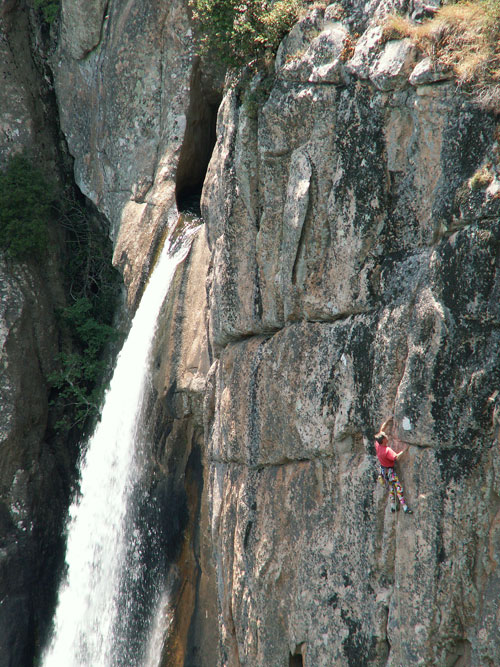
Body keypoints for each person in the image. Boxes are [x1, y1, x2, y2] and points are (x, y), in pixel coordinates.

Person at [375, 418, 412, 514]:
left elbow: (381, 431)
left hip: (383, 471)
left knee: (391, 488)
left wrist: (387, 422)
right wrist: (406, 450)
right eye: (385, 437)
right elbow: (396, 457)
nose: (387, 437)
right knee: (398, 487)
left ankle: (392, 506)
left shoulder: (377, 445)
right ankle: (404, 507)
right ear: (383, 441)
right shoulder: (386, 450)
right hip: (390, 472)